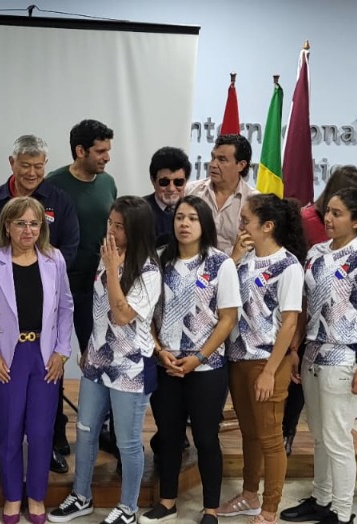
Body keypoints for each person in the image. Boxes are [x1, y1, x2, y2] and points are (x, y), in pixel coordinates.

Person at [279, 188, 357, 524]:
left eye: (338, 214)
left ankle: (341, 511)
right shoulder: (315, 253)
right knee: (319, 432)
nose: (328, 218)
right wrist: (296, 349)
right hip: (313, 353)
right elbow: (307, 306)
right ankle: (322, 497)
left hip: (346, 358)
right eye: (328, 211)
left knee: (338, 437)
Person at [50, 197, 160, 524]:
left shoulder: (149, 270)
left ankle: (128, 508)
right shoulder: (108, 255)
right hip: (98, 359)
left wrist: (113, 269)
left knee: (127, 441)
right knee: (85, 431)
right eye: (110, 223)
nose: (111, 230)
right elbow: (99, 310)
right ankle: (81, 496)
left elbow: (122, 313)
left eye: (119, 226)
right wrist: (89, 347)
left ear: (136, 230)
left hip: (130, 365)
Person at [0, 135, 77, 475]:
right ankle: (2, 449)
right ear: (12, 164)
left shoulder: (59, 200)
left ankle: (46, 448)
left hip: (44, 308)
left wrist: (45, 268)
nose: (32, 172)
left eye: (39, 166)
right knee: (5, 398)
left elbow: (70, 247)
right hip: (5, 312)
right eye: (25, 165)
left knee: (47, 396)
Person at [142, 195, 239, 524]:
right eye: (180, 217)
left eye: (192, 218)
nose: (184, 224)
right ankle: (167, 502)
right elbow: (148, 317)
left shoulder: (220, 264)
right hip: (166, 364)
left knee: (206, 438)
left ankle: (210, 508)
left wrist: (198, 357)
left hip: (206, 368)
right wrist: (160, 351)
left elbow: (227, 319)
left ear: (204, 224)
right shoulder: (159, 262)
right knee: (168, 437)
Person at [0, 196, 74, 524]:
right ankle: (12, 497)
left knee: (41, 430)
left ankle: (36, 497)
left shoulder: (54, 258)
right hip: (7, 355)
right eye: (20, 223)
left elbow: (66, 307)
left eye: (34, 223)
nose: (28, 230)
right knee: (9, 429)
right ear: (7, 226)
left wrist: (62, 351)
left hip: (45, 356)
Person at [217, 194, 306, 524]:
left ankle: (270, 510)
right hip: (237, 357)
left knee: (270, 438)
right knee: (249, 433)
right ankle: (250, 495)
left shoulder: (288, 266)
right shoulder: (243, 259)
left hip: (268, 361)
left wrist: (270, 371)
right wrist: (235, 257)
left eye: (245, 221)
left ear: (268, 226)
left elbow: (290, 321)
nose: (240, 226)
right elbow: (222, 298)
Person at [43, 119, 120, 457]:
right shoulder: (53, 185)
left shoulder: (108, 184)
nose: (106, 158)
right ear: (80, 151)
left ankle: (99, 427)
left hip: (97, 289)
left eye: (108, 150)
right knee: (54, 362)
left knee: (98, 357)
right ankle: (55, 434)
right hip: (59, 287)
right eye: (100, 151)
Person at [183, 134, 256, 252]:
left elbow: (254, 244)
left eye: (222, 160)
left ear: (241, 165)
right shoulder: (191, 191)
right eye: (213, 158)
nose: (213, 164)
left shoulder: (254, 201)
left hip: (237, 267)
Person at [143, 147, 191, 248]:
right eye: (164, 182)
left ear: (186, 181)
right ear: (153, 180)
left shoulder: (194, 212)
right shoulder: (138, 211)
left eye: (178, 182)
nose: (171, 188)